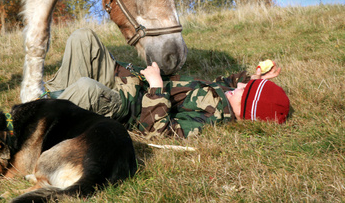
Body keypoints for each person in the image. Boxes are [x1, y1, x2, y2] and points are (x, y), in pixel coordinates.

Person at [44, 28, 290, 139]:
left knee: (86, 89)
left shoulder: (210, 118)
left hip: (128, 107)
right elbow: (230, 81)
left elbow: (163, 132)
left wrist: (156, 88)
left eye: (246, 90)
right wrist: (257, 78)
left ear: (246, 107)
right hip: (127, 81)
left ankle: (38, 119)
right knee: (82, 38)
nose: (241, 86)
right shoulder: (226, 94)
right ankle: (47, 104)